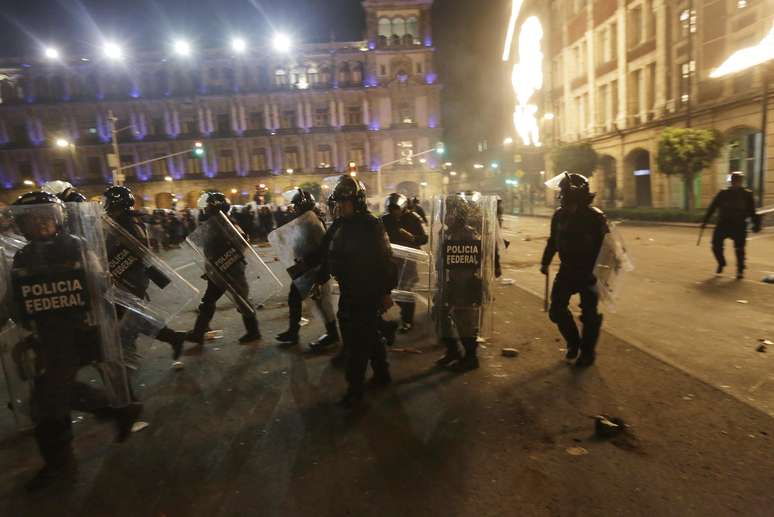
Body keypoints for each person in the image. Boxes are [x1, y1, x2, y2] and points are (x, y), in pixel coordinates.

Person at [4, 192, 140, 490]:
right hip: (45, 336)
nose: (40, 225)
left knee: (47, 401)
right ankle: (114, 411)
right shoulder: (23, 256)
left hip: (75, 333)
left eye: (45, 218)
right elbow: (15, 297)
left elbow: (98, 284)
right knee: (52, 395)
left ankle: (60, 465)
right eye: (32, 220)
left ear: (57, 219)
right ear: (23, 224)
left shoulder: (75, 247)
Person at [320, 176, 396, 408]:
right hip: (349, 289)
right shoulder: (339, 225)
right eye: (337, 202)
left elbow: (385, 260)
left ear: (358, 202)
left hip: (367, 290)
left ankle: (355, 390)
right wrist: (309, 272)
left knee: (356, 342)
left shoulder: (371, 225)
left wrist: (385, 292)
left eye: (345, 202)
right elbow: (325, 251)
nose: (339, 207)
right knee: (369, 334)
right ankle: (382, 374)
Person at [102, 186, 187, 361]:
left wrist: (114, 262)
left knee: (128, 324)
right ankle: (173, 338)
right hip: (126, 278)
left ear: (114, 203)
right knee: (134, 318)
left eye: (107, 201)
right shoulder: (123, 221)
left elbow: (138, 250)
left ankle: (127, 360)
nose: (105, 205)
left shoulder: (127, 223)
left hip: (129, 279)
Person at [540, 173, 609, 367]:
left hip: (589, 272)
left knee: (590, 315)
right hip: (567, 270)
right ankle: (573, 342)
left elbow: (609, 248)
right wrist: (545, 262)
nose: (560, 196)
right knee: (556, 310)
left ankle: (587, 353)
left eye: (563, 192)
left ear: (573, 194)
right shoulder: (559, 215)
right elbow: (553, 240)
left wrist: (603, 275)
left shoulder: (595, 217)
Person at [186, 191, 262, 345]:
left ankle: (253, 332)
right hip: (219, 269)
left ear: (214, 207)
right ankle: (199, 332)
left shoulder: (227, 223)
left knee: (242, 301)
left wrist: (224, 260)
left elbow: (242, 244)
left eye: (208, 205)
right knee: (208, 300)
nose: (205, 208)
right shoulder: (216, 222)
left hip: (231, 269)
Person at [274, 189, 341, 350]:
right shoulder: (303, 222)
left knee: (323, 304)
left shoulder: (314, 223)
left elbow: (323, 252)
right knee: (294, 298)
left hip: (317, 270)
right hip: (304, 268)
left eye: (296, 206)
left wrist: (320, 276)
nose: (294, 209)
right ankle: (293, 332)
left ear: (303, 206)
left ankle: (332, 335)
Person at [434, 192, 491, 371]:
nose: (445, 216)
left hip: (463, 284)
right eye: (444, 212)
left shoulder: (467, 234)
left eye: (449, 212)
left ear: (458, 214)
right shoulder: (445, 233)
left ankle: (470, 357)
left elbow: (473, 261)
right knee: (440, 315)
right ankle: (452, 351)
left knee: (464, 320)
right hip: (448, 282)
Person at [380, 193, 428, 333]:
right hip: (390, 260)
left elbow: (424, 238)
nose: (393, 211)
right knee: (390, 289)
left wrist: (412, 238)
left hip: (408, 260)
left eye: (396, 208)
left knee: (406, 290)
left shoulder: (414, 218)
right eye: (391, 209)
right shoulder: (384, 220)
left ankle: (407, 320)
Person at [701, 172, 761, 279]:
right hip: (723, 224)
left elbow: (752, 211)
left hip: (739, 225)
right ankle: (721, 262)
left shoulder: (747, 194)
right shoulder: (723, 193)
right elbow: (712, 207)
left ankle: (740, 270)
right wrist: (704, 221)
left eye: (738, 180)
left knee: (739, 249)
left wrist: (756, 224)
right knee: (716, 246)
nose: (736, 182)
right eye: (734, 180)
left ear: (741, 181)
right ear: (731, 181)